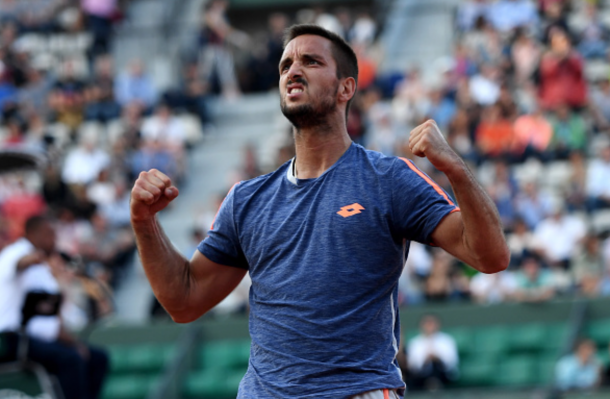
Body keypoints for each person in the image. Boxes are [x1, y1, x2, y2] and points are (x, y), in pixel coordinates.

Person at [130, 24, 509, 399]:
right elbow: (183, 299)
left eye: (310, 61)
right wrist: (144, 222)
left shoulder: (388, 178)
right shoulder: (246, 199)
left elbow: (489, 255)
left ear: (346, 88)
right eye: (285, 65)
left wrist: (456, 170)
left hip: (357, 391)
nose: (293, 71)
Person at [0, 215, 108, 399]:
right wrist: (33, 259)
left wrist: (74, 343)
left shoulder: (43, 270)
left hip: (34, 338)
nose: (54, 240)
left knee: (97, 358)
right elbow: (17, 263)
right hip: (10, 339)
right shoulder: (16, 252)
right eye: (49, 234)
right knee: (70, 360)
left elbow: (49, 317)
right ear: (33, 233)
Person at [406, 315, 458, 390]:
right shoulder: (414, 343)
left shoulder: (447, 340)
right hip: (422, 375)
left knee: (436, 365)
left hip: (444, 374)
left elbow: (453, 362)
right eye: (427, 323)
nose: (430, 326)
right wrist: (425, 359)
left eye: (432, 323)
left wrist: (437, 358)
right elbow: (412, 365)